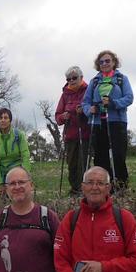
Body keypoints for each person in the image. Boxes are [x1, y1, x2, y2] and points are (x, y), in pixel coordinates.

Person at [81, 50, 134, 193]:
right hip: (98, 124)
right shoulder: (95, 81)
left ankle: (121, 188)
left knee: (118, 156)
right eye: (102, 61)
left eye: (107, 61)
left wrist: (113, 103)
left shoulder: (122, 79)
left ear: (114, 62)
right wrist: (89, 109)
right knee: (100, 158)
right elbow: (85, 102)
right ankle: (103, 190)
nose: (104, 64)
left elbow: (129, 98)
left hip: (117, 122)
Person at [55, 66, 91, 196]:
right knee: (72, 165)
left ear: (81, 77)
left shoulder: (88, 90)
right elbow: (57, 115)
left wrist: (84, 111)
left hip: (85, 134)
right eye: (68, 78)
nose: (71, 80)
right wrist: (63, 117)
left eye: (74, 78)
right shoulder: (65, 94)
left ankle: (84, 190)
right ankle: (74, 190)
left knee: (83, 163)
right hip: (70, 135)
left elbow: (92, 109)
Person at [0, 108, 31, 198]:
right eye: (0, 118)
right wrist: (0, 183)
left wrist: (25, 175)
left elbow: (25, 155)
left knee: (18, 195)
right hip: (2, 171)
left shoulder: (18, 135)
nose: (3, 120)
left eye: (6, 118)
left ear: (10, 120)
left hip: (17, 169)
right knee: (4, 198)